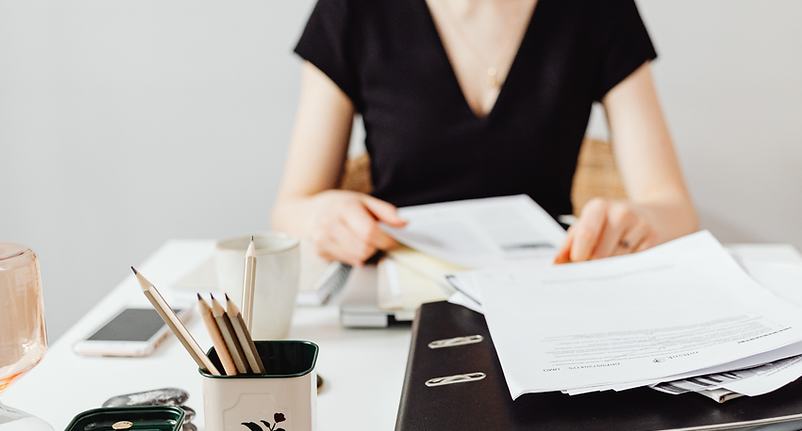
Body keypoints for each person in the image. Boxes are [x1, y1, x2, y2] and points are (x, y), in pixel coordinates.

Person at [272, 0, 698, 266]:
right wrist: (322, 216)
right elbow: (290, 208)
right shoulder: (353, 10)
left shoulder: (598, 9)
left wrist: (639, 221)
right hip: (403, 295)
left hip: (549, 288)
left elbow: (676, 209)